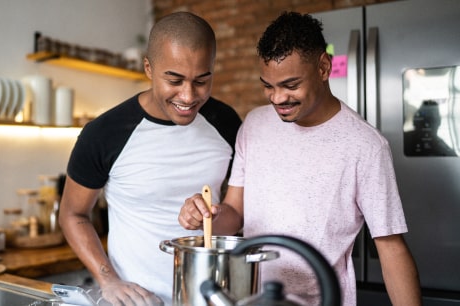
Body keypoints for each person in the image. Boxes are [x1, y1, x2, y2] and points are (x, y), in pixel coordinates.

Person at [178, 11, 422, 306]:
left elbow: (390, 246)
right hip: (251, 298)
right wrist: (209, 218)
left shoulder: (366, 146)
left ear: (323, 67)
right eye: (268, 86)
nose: (278, 98)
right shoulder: (254, 125)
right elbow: (235, 215)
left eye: (291, 85)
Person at [58, 11, 242, 306]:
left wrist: (212, 218)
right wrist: (108, 279)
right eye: (175, 80)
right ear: (148, 68)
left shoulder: (227, 123)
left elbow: (235, 216)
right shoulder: (104, 133)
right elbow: (72, 214)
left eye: (202, 80)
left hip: (210, 298)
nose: (188, 96)